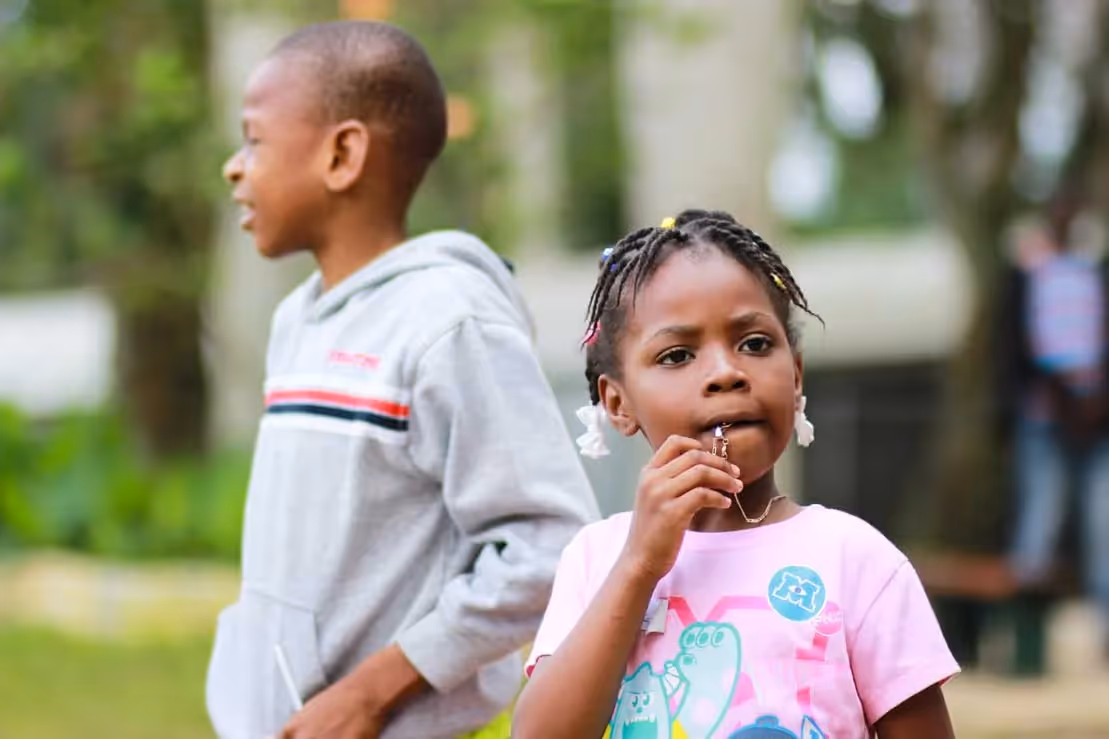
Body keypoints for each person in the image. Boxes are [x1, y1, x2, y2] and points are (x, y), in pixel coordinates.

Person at [207, 21, 599, 739]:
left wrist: (371, 691)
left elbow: (550, 545)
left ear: (342, 153)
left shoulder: (451, 321)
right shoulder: (297, 319)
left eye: (255, 139)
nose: (235, 166)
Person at [513, 210, 959, 739]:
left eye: (754, 344)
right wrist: (639, 564)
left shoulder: (858, 562)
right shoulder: (596, 560)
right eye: (677, 355)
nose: (726, 372)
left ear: (795, 376)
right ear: (618, 402)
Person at [995, 194, 1109, 654]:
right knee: (1038, 523)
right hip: (1045, 419)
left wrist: (1094, 401)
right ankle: (1026, 643)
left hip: (1097, 423)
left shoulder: (1092, 272)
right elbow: (1020, 345)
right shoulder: (1029, 274)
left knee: (1102, 525)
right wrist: (1060, 394)